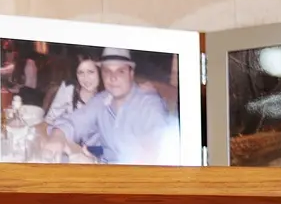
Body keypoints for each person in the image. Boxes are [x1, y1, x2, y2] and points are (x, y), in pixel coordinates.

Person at [41, 47, 178, 165]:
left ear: (131, 74)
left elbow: (155, 158)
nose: (113, 78)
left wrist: (97, 167)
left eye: (120, 71)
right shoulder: (102, 100)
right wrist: (57, 137)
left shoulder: (149, 105)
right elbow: (74, 122)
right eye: (107, 71)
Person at [43, 53, 102, 128]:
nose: (86, 78)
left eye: (90, 72)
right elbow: (49, 120)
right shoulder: (69, 89)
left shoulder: (106, 96)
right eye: (80, 73)